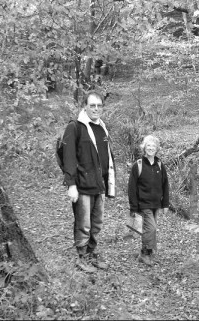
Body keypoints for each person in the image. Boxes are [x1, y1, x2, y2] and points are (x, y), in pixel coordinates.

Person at [62, 91, 116, 273]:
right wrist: (71, 185)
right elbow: (68, 157)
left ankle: (92, 253)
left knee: (97, 223)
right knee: (83, 223)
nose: (96, 109)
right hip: (82, 186)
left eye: (99, 106)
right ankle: (82, 256)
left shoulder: (102, 127)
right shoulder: (75, 127)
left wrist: (110, 183)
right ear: (84, 106)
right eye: (92, 105)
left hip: (98, 185)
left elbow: (106, 157)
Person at [127, 135, 169, 266]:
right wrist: (133, 207)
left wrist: (165, 204)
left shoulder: (160, 165)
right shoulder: (138, 165)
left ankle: (149, 252)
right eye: (148, 146)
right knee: (151, 228)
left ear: (157, 149)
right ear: (144, 148)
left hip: (156, 204)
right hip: (143, 204)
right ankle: (144, 253)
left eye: (153, 146)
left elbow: (165, 185)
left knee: (150, 229)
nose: (151, 148)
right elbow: (131, 188)